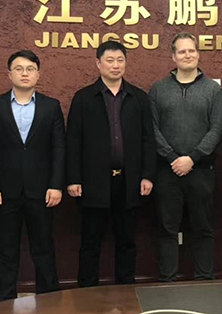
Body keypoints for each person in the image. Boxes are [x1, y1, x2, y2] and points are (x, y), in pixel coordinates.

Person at [66, 40, 155, 286]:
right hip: (93, 182)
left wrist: (147, 175)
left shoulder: (139, 98)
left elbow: (148, 139)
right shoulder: (84, 98)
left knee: (127, 241)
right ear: (98, 63)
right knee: (90, 242)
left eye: (120, 60)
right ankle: (86, 292)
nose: (115, 65)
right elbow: (73, 141)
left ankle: (126, 290)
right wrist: (73, 179)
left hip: (129, 181)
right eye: (110, 60)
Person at [0, 50, 64, 301]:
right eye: (19, 69)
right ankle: (4, 300)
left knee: (44, 248)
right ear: (9, 74)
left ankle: (49, 299)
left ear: (38, 74)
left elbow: (59, 148)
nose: (25, 73)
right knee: (6, 250)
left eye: (30, 69)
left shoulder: (51, 106)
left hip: (42, 191)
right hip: (3, 192)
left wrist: (56, 185)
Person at [149, 32, 222, 281]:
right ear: (173, 56)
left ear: (198, 54)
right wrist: (172, 157)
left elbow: (217, 129)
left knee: (203, 229)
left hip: (201, 171)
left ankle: (204, 282)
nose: (187, 55)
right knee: (167, 229)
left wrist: (192, 158)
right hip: (167, 170)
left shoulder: (213, 90)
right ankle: (167, 283)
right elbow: (152, 129)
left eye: (191, 50)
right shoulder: (158, 90)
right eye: (182, 51)